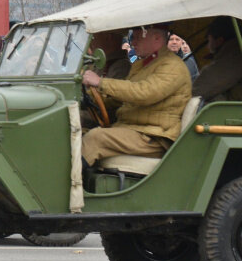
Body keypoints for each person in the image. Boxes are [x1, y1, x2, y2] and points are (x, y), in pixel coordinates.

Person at [80, 24, 192, 167]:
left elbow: (143, 93)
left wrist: (100, 82)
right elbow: (121, 98)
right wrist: (87, 99)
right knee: (76, 132)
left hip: (154, 136)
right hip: (135, 128)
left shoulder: (172, 66)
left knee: (95, 139)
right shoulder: (145, 65)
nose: (132, 42)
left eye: (138, 38)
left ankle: (70, 186)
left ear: (157, 38)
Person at [192, 17, 242, 103]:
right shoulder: (234, 50)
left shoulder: (236, 53)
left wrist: (187, 94)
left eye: (209, 40)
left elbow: (210, 83)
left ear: (219, 40)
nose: (207, 46)